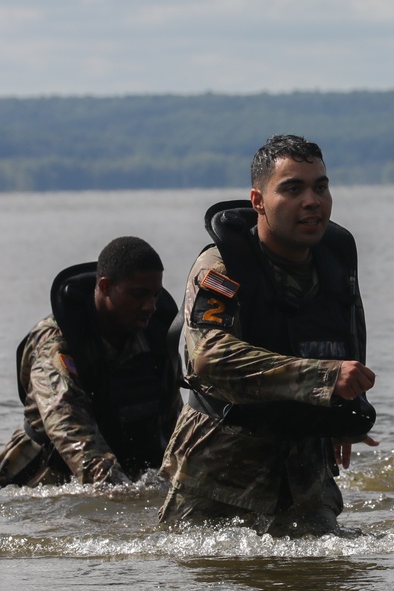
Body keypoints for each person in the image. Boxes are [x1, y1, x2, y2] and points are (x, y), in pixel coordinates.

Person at [159, 134, 378, 535]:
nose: (312, 200)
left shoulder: (336, 259)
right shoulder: (222, 266)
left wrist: (344, 414)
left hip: (307, 479)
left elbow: (347, 339)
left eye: (321, 187)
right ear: (258, 201)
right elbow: (208, 358)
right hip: (220, 480)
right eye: (292, 188)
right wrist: (324, 378)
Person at [0, 237, 183, 487]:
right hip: (49, 473)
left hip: (127, 461)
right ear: (105, 286)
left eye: (155, 296)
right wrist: (115, 490)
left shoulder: (155, 336)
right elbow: (67, 423)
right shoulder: (56, 341)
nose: (150, 306)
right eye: (139, 295)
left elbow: (175, 421)